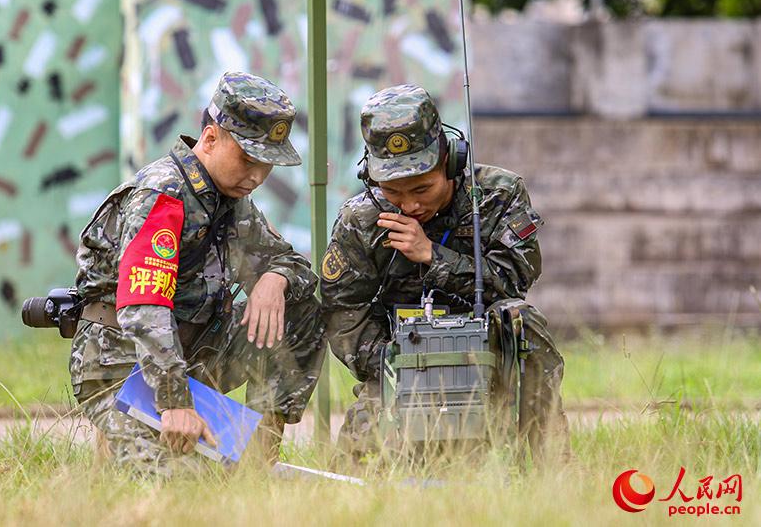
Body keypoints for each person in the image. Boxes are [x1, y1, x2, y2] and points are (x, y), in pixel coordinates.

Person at [69, 71, 325, 475]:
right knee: (183, 485)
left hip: (197, 355)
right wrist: (174, 402)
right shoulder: (164, 194)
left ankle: (256, 466)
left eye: (267, 166)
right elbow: (144, 306)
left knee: (300, 308)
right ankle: (123, 438)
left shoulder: (230, 199)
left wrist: (274, 280)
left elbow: (289, 262)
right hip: (123, 362)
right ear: (209, 138)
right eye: (248, 159)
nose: (257, 176)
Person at [321, 84, 571, 463]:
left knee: (523, 319)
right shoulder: (361, 220)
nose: (410, 204)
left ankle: (549, 462)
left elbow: (515, 278)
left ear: (450, 161)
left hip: (490, 359)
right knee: (360, 472)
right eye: (392, 192)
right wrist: (399, 362)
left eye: (422, 188)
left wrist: (432, 256)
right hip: (399, 367)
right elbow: (342, 313)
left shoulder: (497, 195)